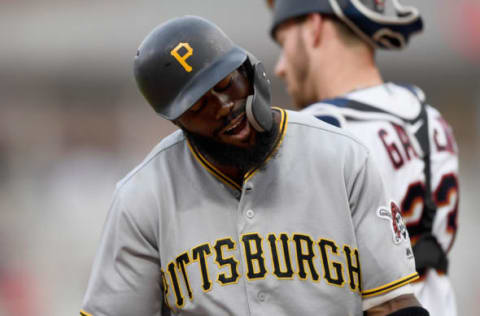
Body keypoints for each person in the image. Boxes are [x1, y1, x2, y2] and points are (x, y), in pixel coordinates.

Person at [80, 15, 429, 316]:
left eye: (225, 84)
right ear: (179, 121)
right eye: (199, 105)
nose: (223, 106)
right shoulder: (143, 195)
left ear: (249, 73)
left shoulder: (342, 157)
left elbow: (393, 303)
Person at [266, 1, 459, 315]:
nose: (281, 66)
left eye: (285, 43)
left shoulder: (320, 130)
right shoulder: (433, 119)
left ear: (314, 26)